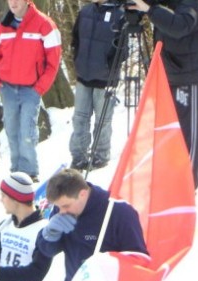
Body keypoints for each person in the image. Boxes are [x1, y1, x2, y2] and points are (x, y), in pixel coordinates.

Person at [128, 0, 198, 188]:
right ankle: (172, 184)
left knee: (188, 134)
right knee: (170, 134)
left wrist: (150, 10)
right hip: (170, 71)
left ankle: (187, 185)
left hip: (188, 74)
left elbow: (181, 25)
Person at [0, 0, 62, 182]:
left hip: (31, 89)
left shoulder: (44, 24)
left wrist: (39, 88)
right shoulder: (4, 26)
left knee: (26, 131)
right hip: (8, 88)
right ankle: (16, 171)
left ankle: (29, 173)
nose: (13, 3)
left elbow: (53, 63)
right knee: (12, 130)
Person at [69, 0, 126, 170]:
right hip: (83, 76)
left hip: (105, 78)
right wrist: (77, 62)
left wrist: (111, 66)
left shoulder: (119, 14)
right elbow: (75, 40)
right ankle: (78, 156)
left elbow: (123, 49)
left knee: (103, 119)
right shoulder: (85, 12)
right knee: (79, 118)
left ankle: (101, 155)